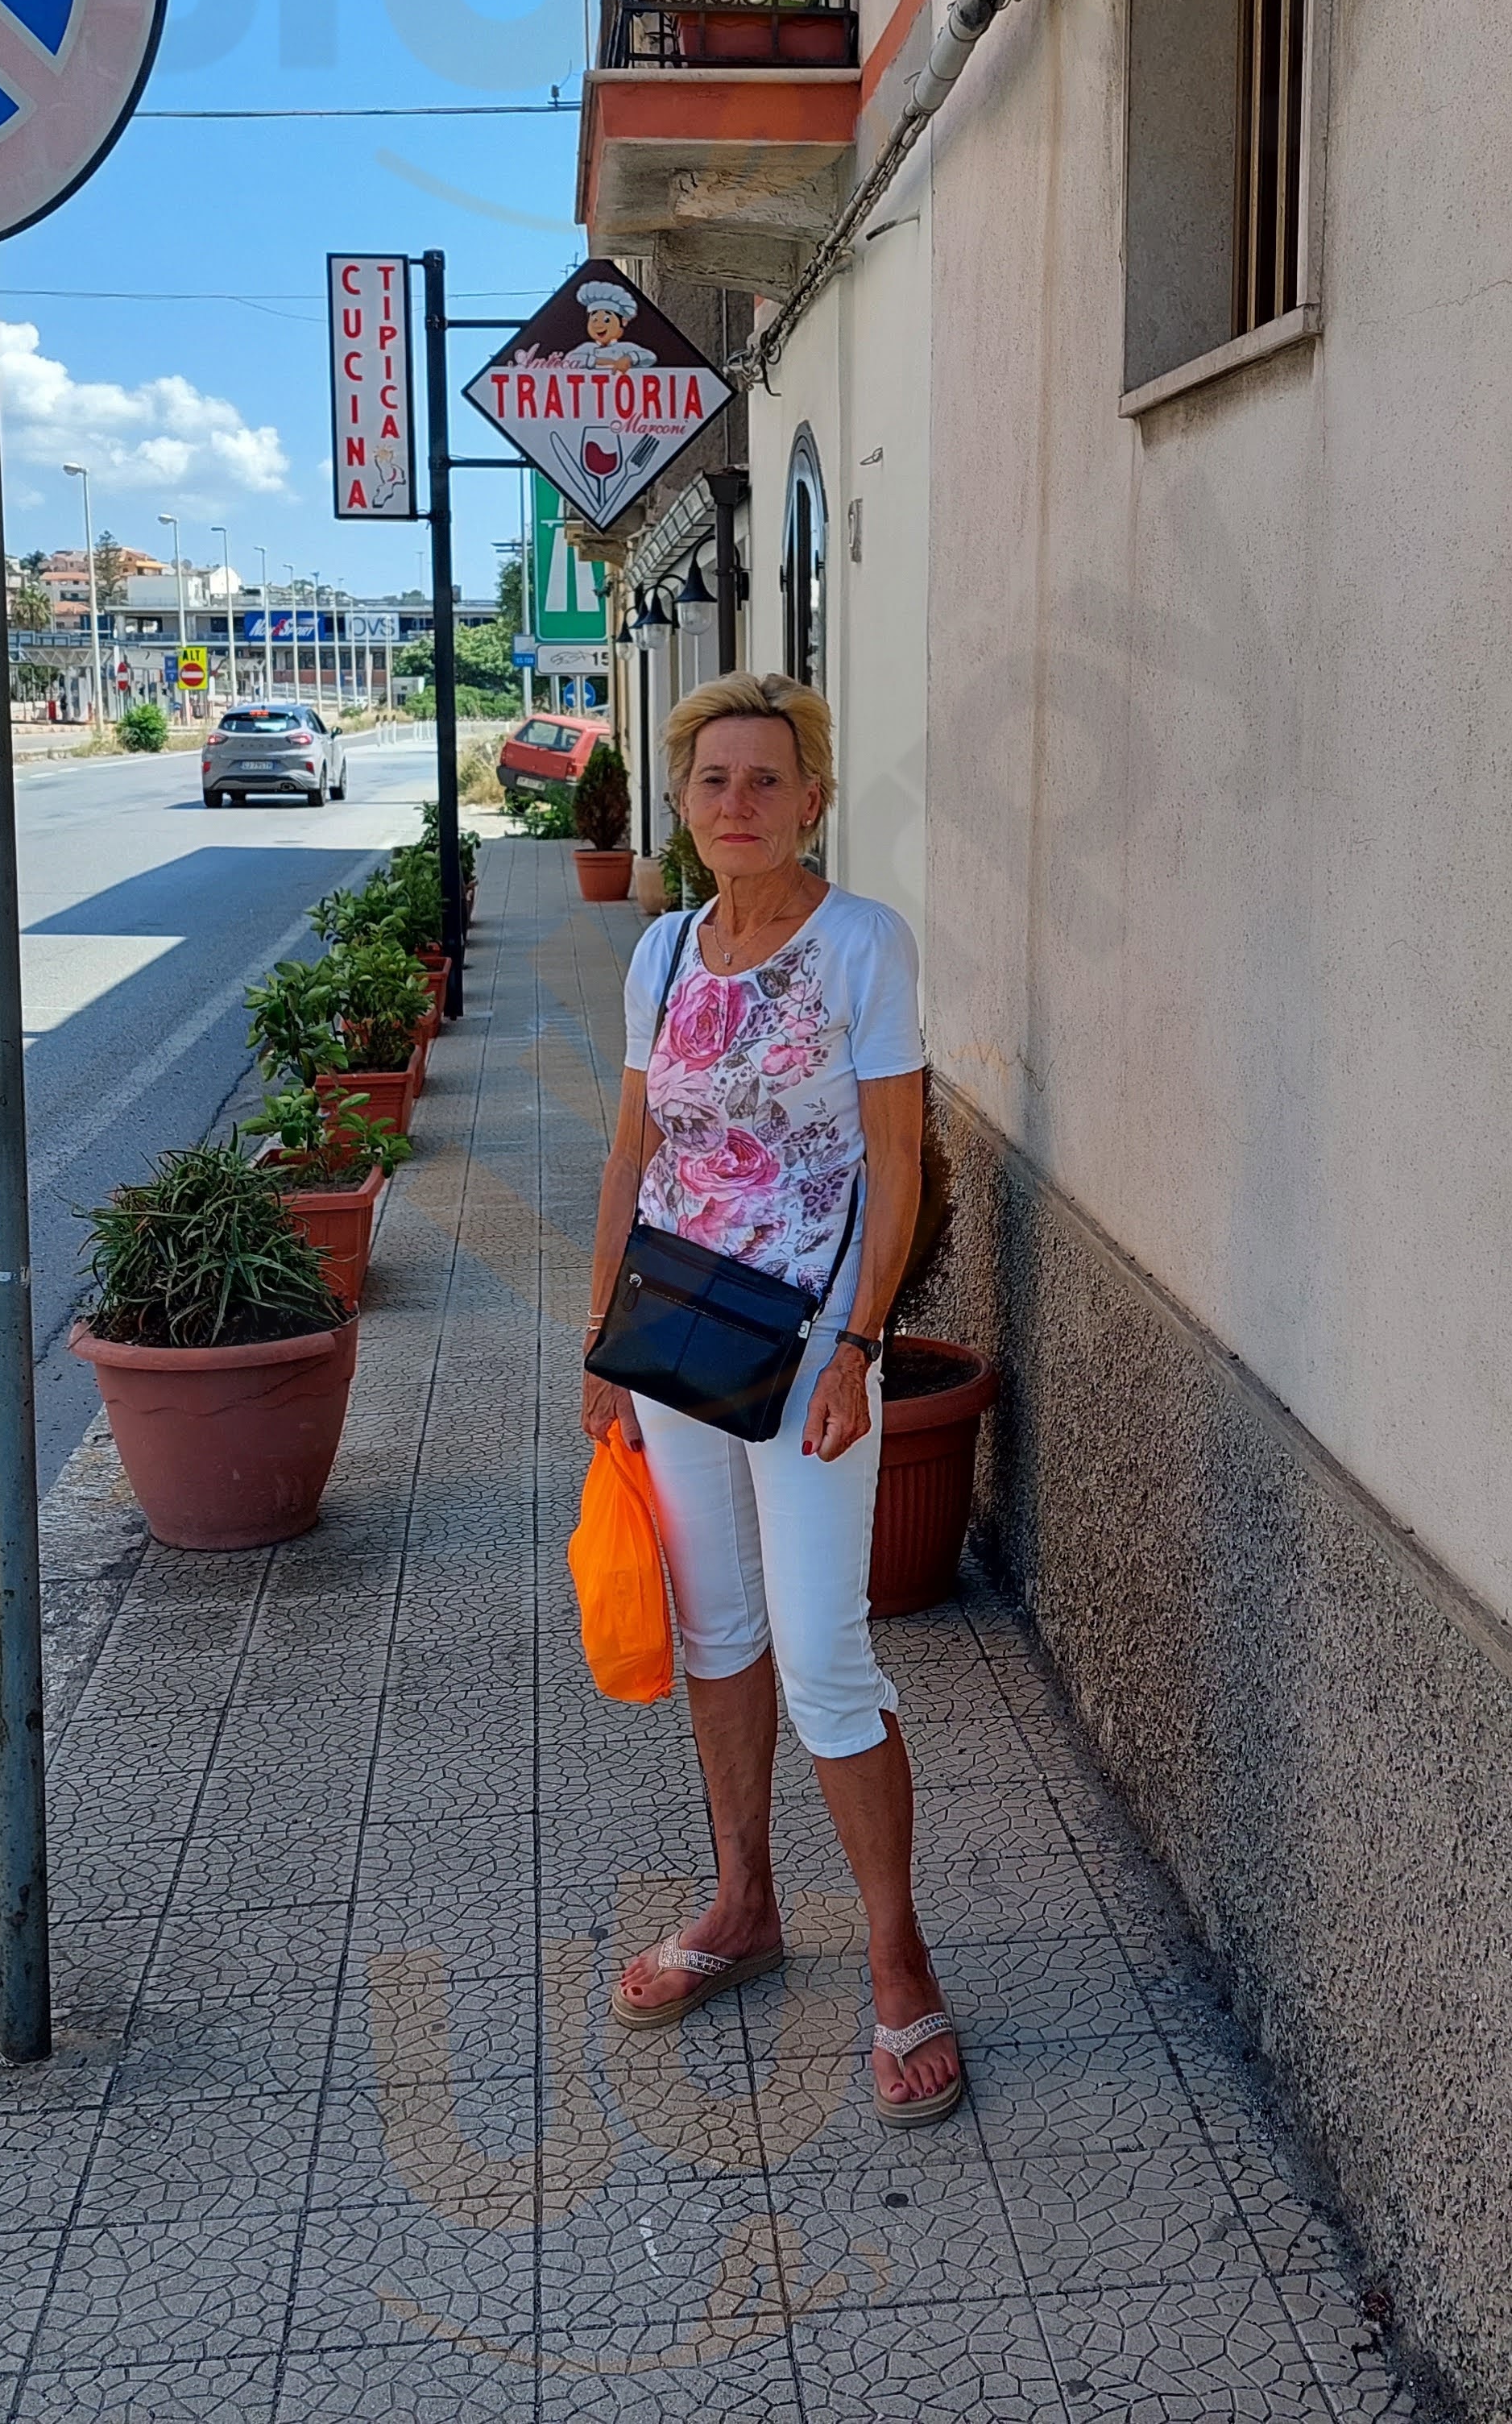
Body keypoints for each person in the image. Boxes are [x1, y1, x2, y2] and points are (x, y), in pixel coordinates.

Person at [579, 671, 959, 2124]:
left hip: (807, 1353)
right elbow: (630, 1156)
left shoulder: (862, 945)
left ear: (814, 798)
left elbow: (898, 1161)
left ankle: (897, 1957)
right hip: (678, 1342)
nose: (736, 806)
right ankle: (744, 1903)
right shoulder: (666, 953)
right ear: (681, 807)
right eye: (711, 782)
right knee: (716, 1631)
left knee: (823, 1655)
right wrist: (601, 1347)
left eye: (765, 780)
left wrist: (862, 1344)